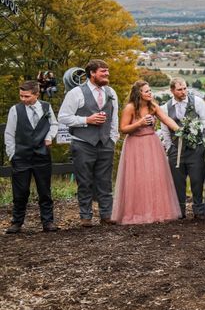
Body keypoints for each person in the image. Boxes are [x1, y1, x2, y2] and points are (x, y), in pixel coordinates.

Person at [59, 59, 119, 227]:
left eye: (107, 71)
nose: (107, 74)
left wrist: (113, 139)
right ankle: (86, 216)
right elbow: (63, 117)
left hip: (106, 143)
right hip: (83, 143)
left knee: (105, 181)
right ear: (92, 73)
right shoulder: (76, 93)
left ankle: (106, 214)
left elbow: (114, 117)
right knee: (84, 181)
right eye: (103, 71)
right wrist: (87, 119)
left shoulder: (111, 92)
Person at [112, 81, 182, 225]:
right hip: (135, 145)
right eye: (146, 91)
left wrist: (180, 130)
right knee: (137, 178)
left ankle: (156, 211)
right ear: (139, 94)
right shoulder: (130, 108)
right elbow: (123, 128)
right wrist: (140, 123)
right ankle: (137, 212)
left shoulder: (153, 106)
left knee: (154, 176)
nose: (150, 93)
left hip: (152, 143)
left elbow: (166, 119)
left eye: (150, 90)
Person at [4, 80, 59, 234]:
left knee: (45, 191)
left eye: (26, 96)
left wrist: (50, 137)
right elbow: (9, 133)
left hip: (42, 156)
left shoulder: (46, 107)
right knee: (20, 192)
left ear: (36, 94)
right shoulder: (15, 110)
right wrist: (12, 154)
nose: (23, 99)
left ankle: (48, 222)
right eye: (21, 96)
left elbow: (54, 124)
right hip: (21, 156)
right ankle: (17, 222)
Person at [159, 77, 205, 219]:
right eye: (180, 89)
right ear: (172, 90)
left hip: (196, 149)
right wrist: (170, 148)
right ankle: (179, 211)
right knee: (178, 182)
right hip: (176, 150)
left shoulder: (198, 102)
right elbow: (164, 130)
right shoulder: (165, 108)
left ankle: (198, 210)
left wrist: (200, 137)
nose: (183, 92)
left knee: (197, 180)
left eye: (185, 88)